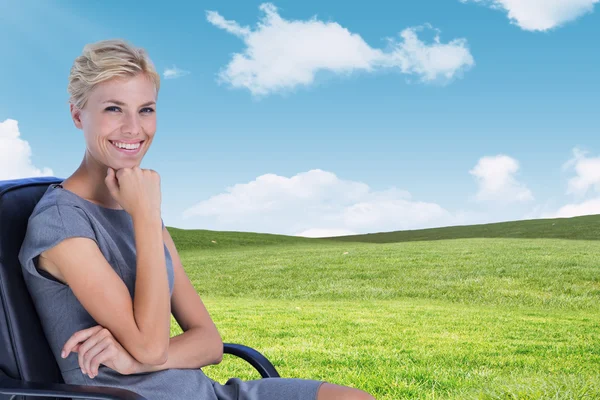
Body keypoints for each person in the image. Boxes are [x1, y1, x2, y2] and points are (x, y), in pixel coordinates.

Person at [18, 39, 375, 400]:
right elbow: (150, 345)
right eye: (114, 109)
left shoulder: (137, 203)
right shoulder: (62, 223)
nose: (133, 128)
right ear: (78, 115)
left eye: (146, 110)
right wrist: (145, 215)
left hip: (206, 392)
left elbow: (208, 342)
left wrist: (136, 363)